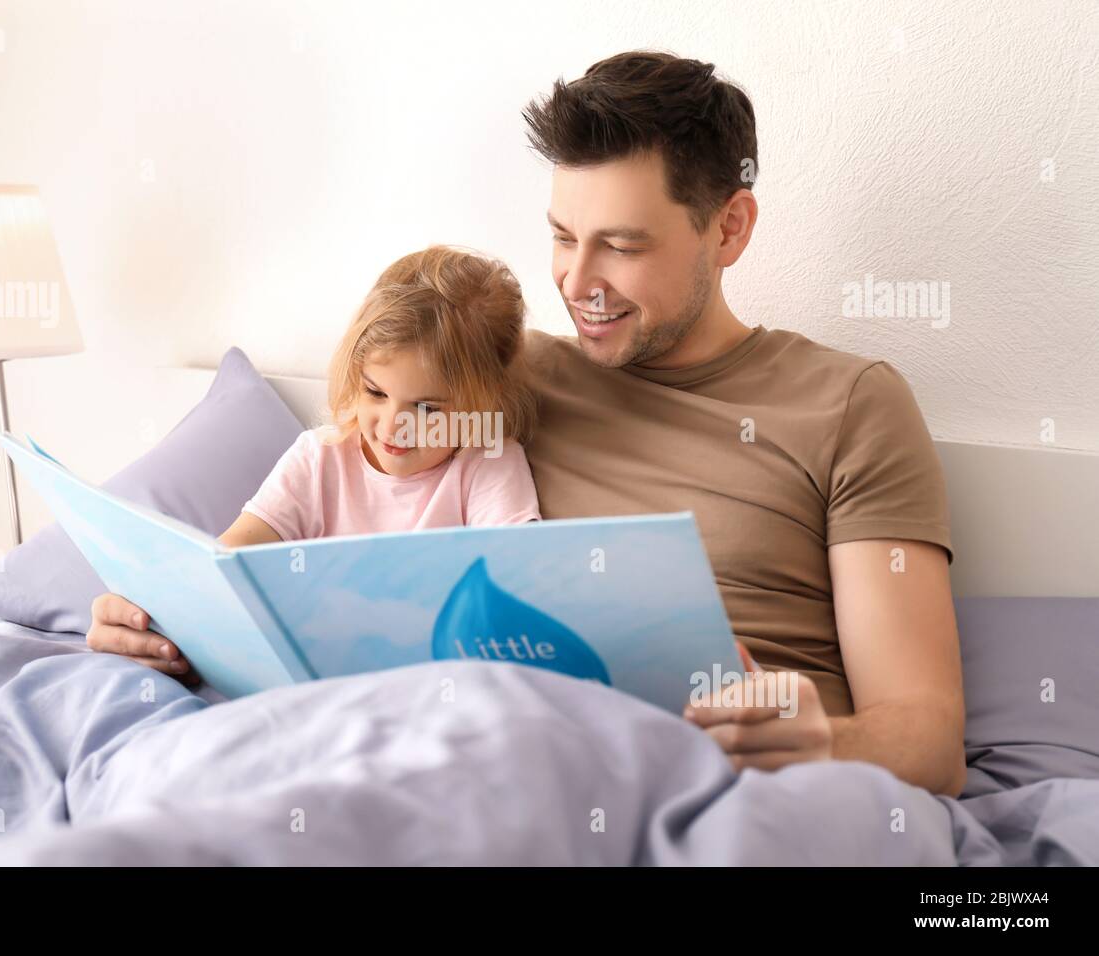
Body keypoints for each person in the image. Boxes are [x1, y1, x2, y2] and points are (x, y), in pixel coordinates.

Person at [519, 50, 965, 796]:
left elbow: (930, 743)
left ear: (729, 229)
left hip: (747, 789)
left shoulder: (849, 404)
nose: (576, 281)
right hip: (530, 757)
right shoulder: (513, 380)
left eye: (623, 246)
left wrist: (820, 741)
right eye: (564, 236)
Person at [88, 244, 544, 680]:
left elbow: (521, 585)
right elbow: (224, 561)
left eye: (427, 409)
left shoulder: (488, 461)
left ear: (485, 403)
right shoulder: (319, 459)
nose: (392, 426)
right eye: (375, 393)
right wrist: (144, 607)